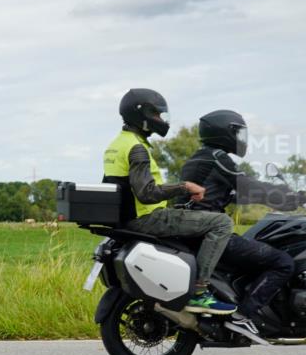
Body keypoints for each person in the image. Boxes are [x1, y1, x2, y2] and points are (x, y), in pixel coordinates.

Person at [103, 89, 237, 315]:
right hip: (147, 218)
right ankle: (200, 292)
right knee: (221, 223)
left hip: (128, 218)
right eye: (156, 114)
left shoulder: (117, 144)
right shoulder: (137, 148)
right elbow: (146, 193)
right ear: (142, 115)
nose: (161, 120)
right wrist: (184, 186)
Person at [179, 109, 302, 333]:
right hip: (209, 233)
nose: (240, 139)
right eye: (238, 133)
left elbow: (229, 192)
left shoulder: (199, 158)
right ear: (224, 132)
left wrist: (277, 197)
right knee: (283, 262)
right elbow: (248, 186)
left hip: (193, 231)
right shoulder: (218, 158)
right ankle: (244, 315)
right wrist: (293, 196)